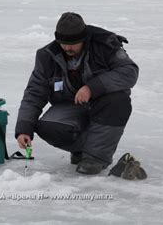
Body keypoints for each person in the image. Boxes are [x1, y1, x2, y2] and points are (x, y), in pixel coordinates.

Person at [15, 12, 139, 175]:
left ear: (84, 38)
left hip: (103, 104)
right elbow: (34, 92)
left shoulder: (105, 45)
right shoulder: (47, 56)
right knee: (47, 127)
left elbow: (129, 72)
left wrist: (92, 87)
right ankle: (82, 150)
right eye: (63, 43)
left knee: (119, 101)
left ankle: (95, 157)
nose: (67, 48)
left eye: (73, 43)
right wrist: (24, 128)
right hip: (71, 105)